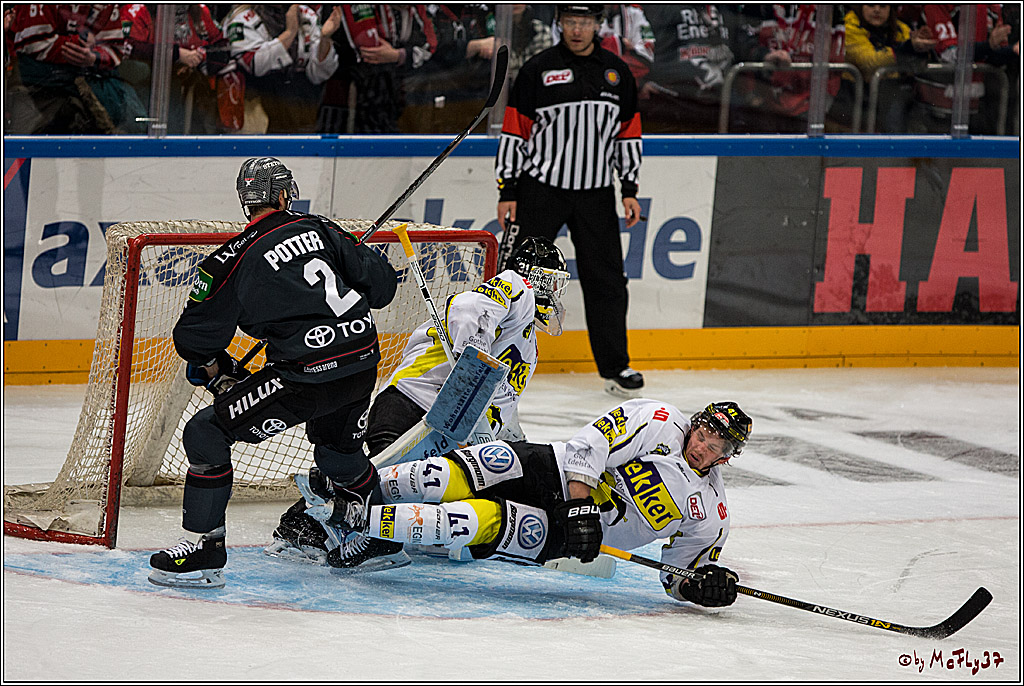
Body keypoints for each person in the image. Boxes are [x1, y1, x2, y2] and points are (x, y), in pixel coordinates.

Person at [148, 157, 398, 589]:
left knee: (205, 433)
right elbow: (383, 288)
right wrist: (359, 253)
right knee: (337, 455)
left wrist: (216, 370)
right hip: (360, 364)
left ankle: (206, 552)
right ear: (285, 195)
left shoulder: (230, 258)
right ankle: (379, 539)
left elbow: (193, 338)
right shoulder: (322, 228)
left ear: (247, 202)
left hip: (306, 378)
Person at [271, 236, 572, 568]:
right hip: (414, 403)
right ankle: (301, 525)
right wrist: (471, 357)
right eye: (554, 282)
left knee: (405, 485)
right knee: (381, 475)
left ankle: (371, 533)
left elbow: (503, 411)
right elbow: (467, 309)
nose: (557, 294)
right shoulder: (518, 289)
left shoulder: (528, 347)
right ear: (537, 277)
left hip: (448, 427)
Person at [324, 398, 752, 610]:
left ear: (725, 457)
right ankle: (348, 486)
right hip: (550, 467)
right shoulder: (659, 420)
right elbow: (593, 440)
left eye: (714, 448)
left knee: (467, 522)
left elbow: (677, 576)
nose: (701, 449)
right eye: (702, 436)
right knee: (441, 476)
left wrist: (699, 588)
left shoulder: (711, 514)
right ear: (695, 425)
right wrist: (582, 504)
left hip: (561, 535)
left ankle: (362, 523)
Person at [496, 4, 644, 399]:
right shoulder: (537, 69)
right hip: (541, 190)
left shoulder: (617, 72)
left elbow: (627, 135)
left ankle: (616, 366)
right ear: (559, 24)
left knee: (608, 280)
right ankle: (498, 356)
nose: (577, 29)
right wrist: (508, 189)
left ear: (598, 25)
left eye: (585, 22)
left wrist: (629, 188)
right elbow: (515, 130)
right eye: (570, 21)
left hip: (596, 194)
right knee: (518, 278)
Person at [7, 4, 147, 134]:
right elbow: (34, 42)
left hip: (87, 86)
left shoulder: (107, 6)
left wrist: (94, 57)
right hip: (37, 88)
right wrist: (80, 42)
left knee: (132, 123)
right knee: (28, 143)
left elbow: (114, 47)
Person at [224, 4, 342, 133]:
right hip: (258, 113)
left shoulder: (306, 14)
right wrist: (289, 33)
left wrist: (325, 39)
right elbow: (255, 65)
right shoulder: (241, 17)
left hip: (302, 113)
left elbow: (318, 75)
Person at [640, 4, 735, 133]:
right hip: (673, 106)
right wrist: (641, 82)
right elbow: (646, 51)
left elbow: (739, 48)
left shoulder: (725, 9)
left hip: (720, 106)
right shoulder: (662, 9)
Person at [843, 5, 936, 133]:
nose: (877, 10)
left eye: (883, 5)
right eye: (870, 5)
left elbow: (916, 59)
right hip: (855, 102)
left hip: (892, 101)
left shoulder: (900, 28)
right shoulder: (849, 26)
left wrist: (921, 48)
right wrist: (908, 48)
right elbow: (868, 62)